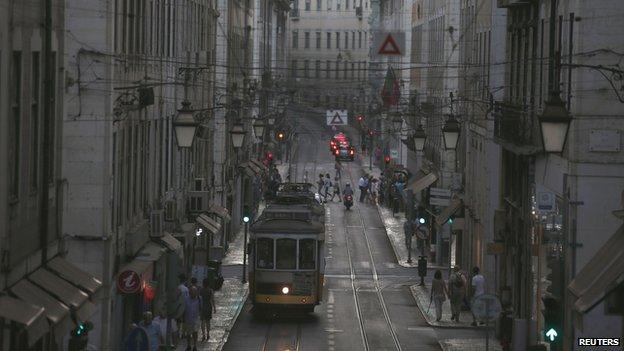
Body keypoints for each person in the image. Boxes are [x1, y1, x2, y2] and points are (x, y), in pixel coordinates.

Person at [183, 286, 202, 351]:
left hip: (196, 319)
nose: (193, 293)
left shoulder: (199, 299)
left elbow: (201, 308)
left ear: (196, 292)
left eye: (194, 292)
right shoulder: (186, 299)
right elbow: (183, 308)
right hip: (188, 319)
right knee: (188, 334)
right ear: (189, 292)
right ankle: (188, 345)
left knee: (195, 332)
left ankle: (195, 345)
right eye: (191, 292)